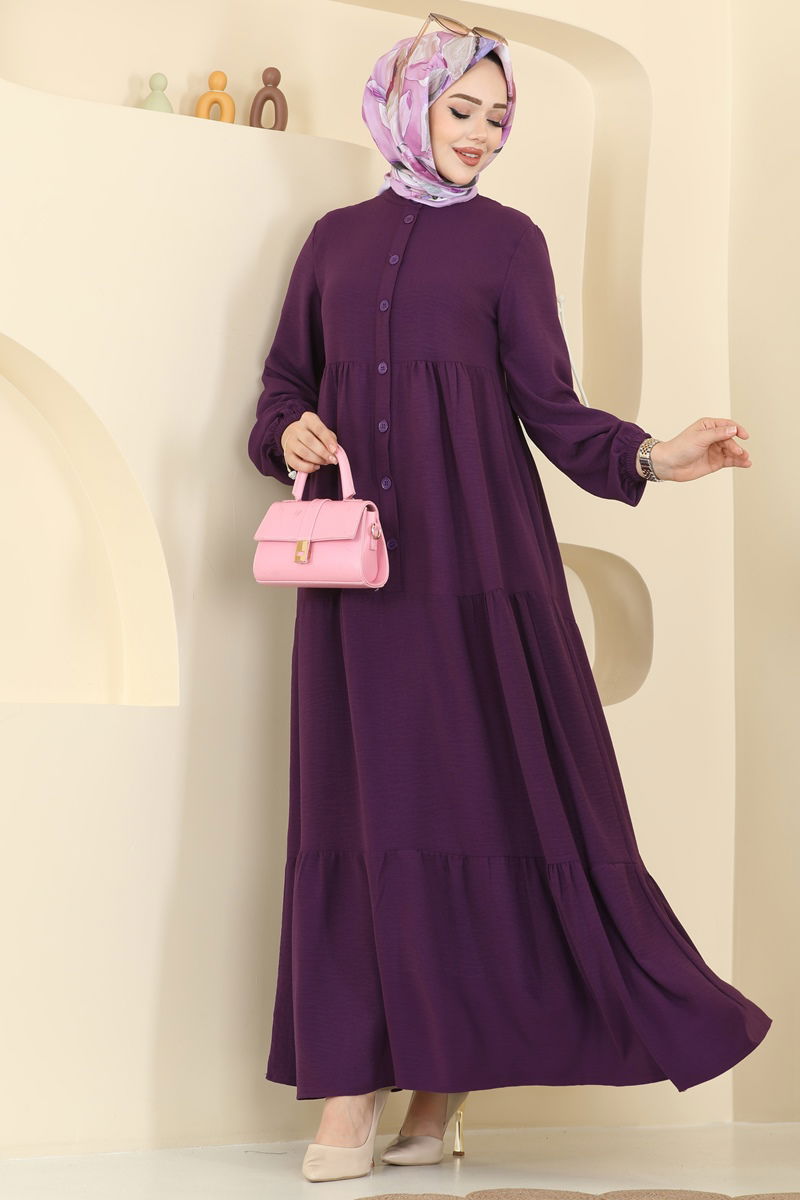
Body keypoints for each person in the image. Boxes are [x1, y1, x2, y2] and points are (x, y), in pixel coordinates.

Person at [247, 13, 771, 1185]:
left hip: (480, 566)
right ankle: (349, 1092)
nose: (482, 134)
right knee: (356, 815)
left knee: (477, 804)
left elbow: (551, 405)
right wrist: (288, 430)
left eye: (497, 116)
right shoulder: (332, 241)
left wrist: (653, 457)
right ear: (406, 106)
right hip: (354, 581)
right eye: (461, 109)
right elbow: (282, 382)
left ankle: (440, 1088)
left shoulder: (507, 243)